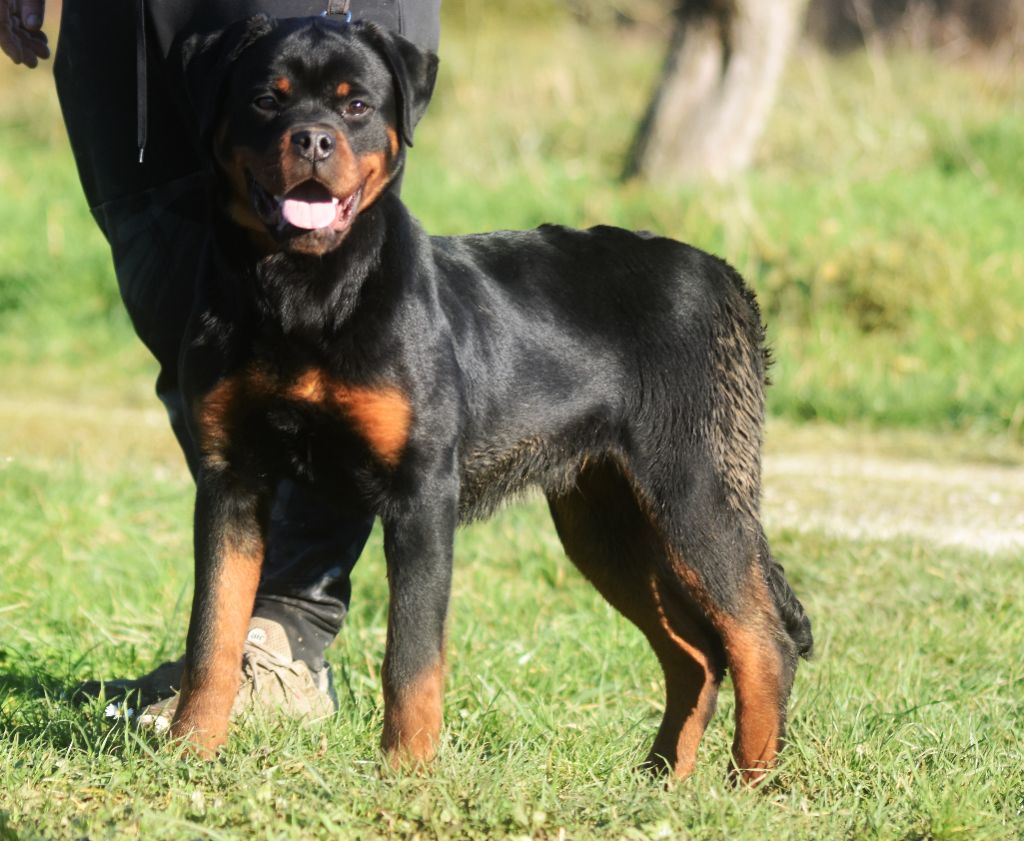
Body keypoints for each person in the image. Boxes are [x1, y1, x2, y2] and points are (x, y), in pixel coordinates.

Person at [1, 0, 441, 727]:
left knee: (337, 360)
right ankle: (226, 648)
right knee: (195, 341)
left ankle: (287, 638)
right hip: (124, 37)